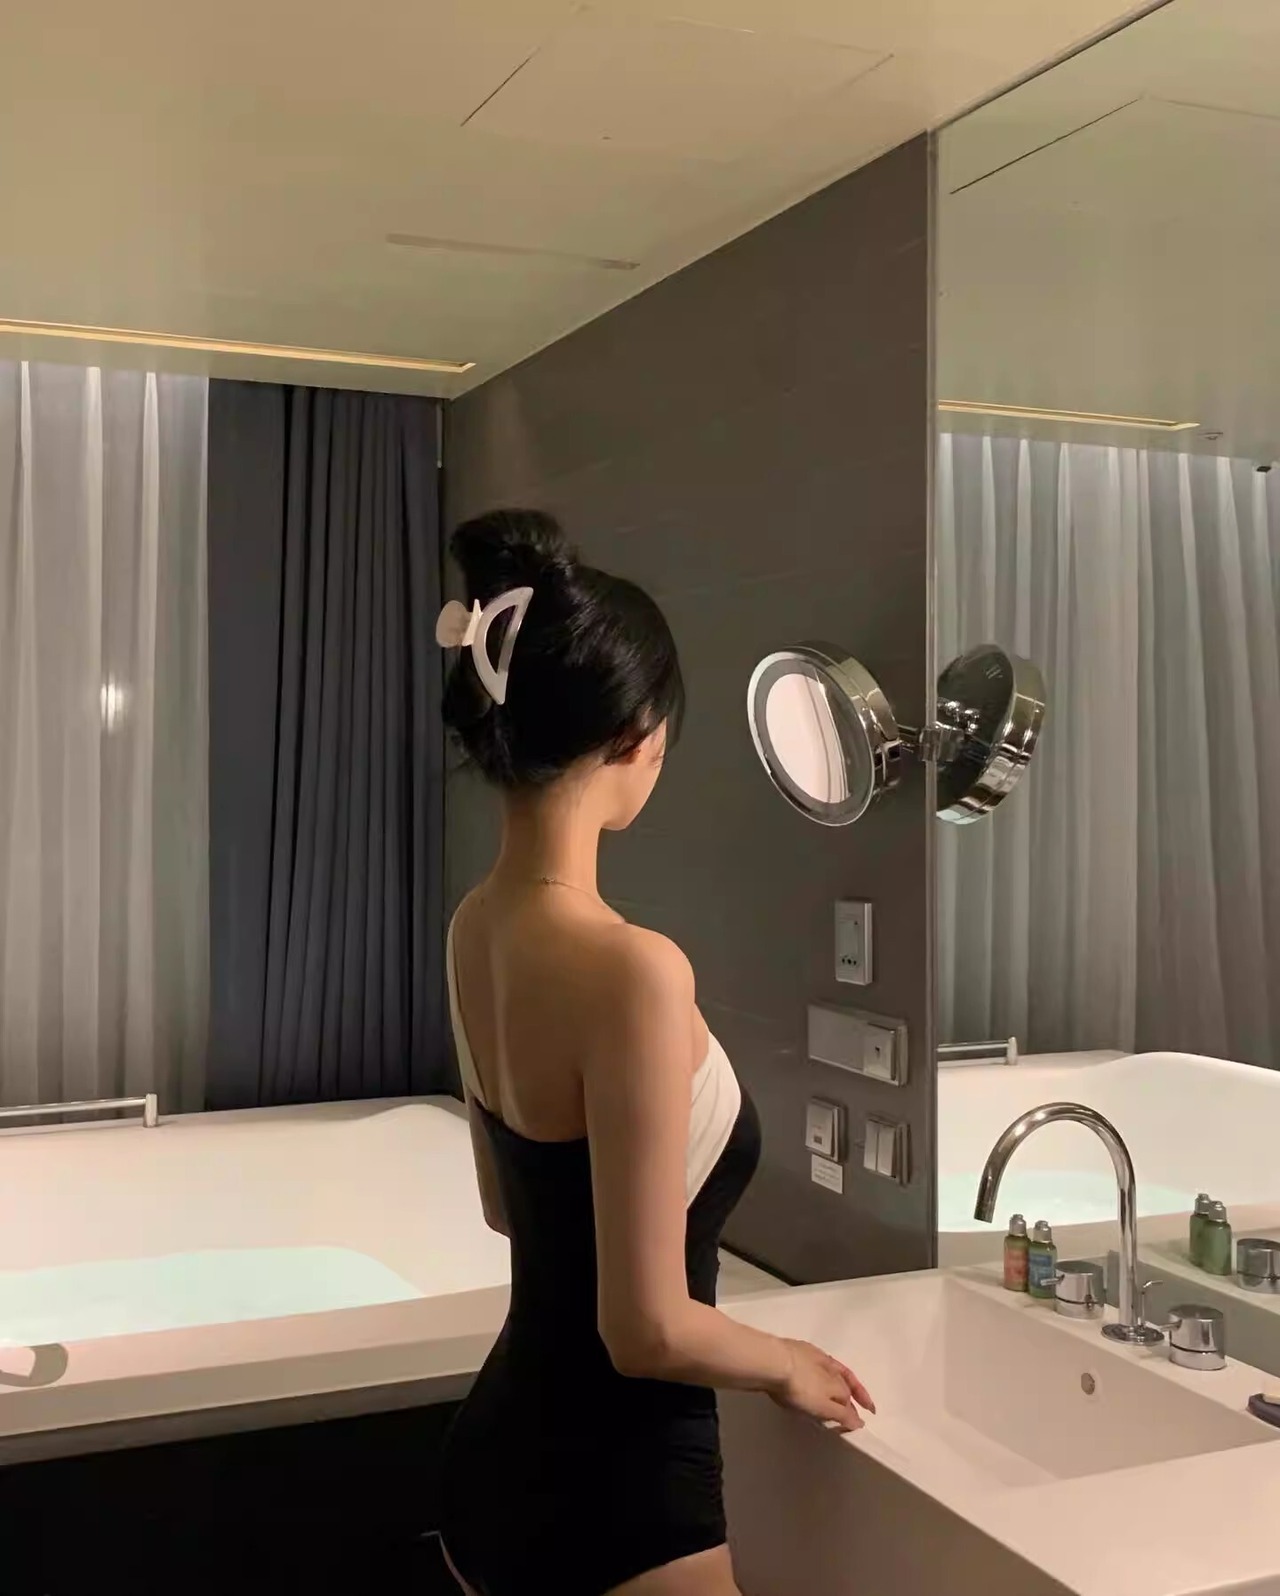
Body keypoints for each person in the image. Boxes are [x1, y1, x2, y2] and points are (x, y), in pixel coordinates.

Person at [437, 509, 874, 1596]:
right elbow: (644, 1331)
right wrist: (787, 1363)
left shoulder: (473, 927)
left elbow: (508, 1207)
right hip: (619, 1496)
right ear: (637, 732)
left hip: (493, 1471)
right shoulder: (632, 969)